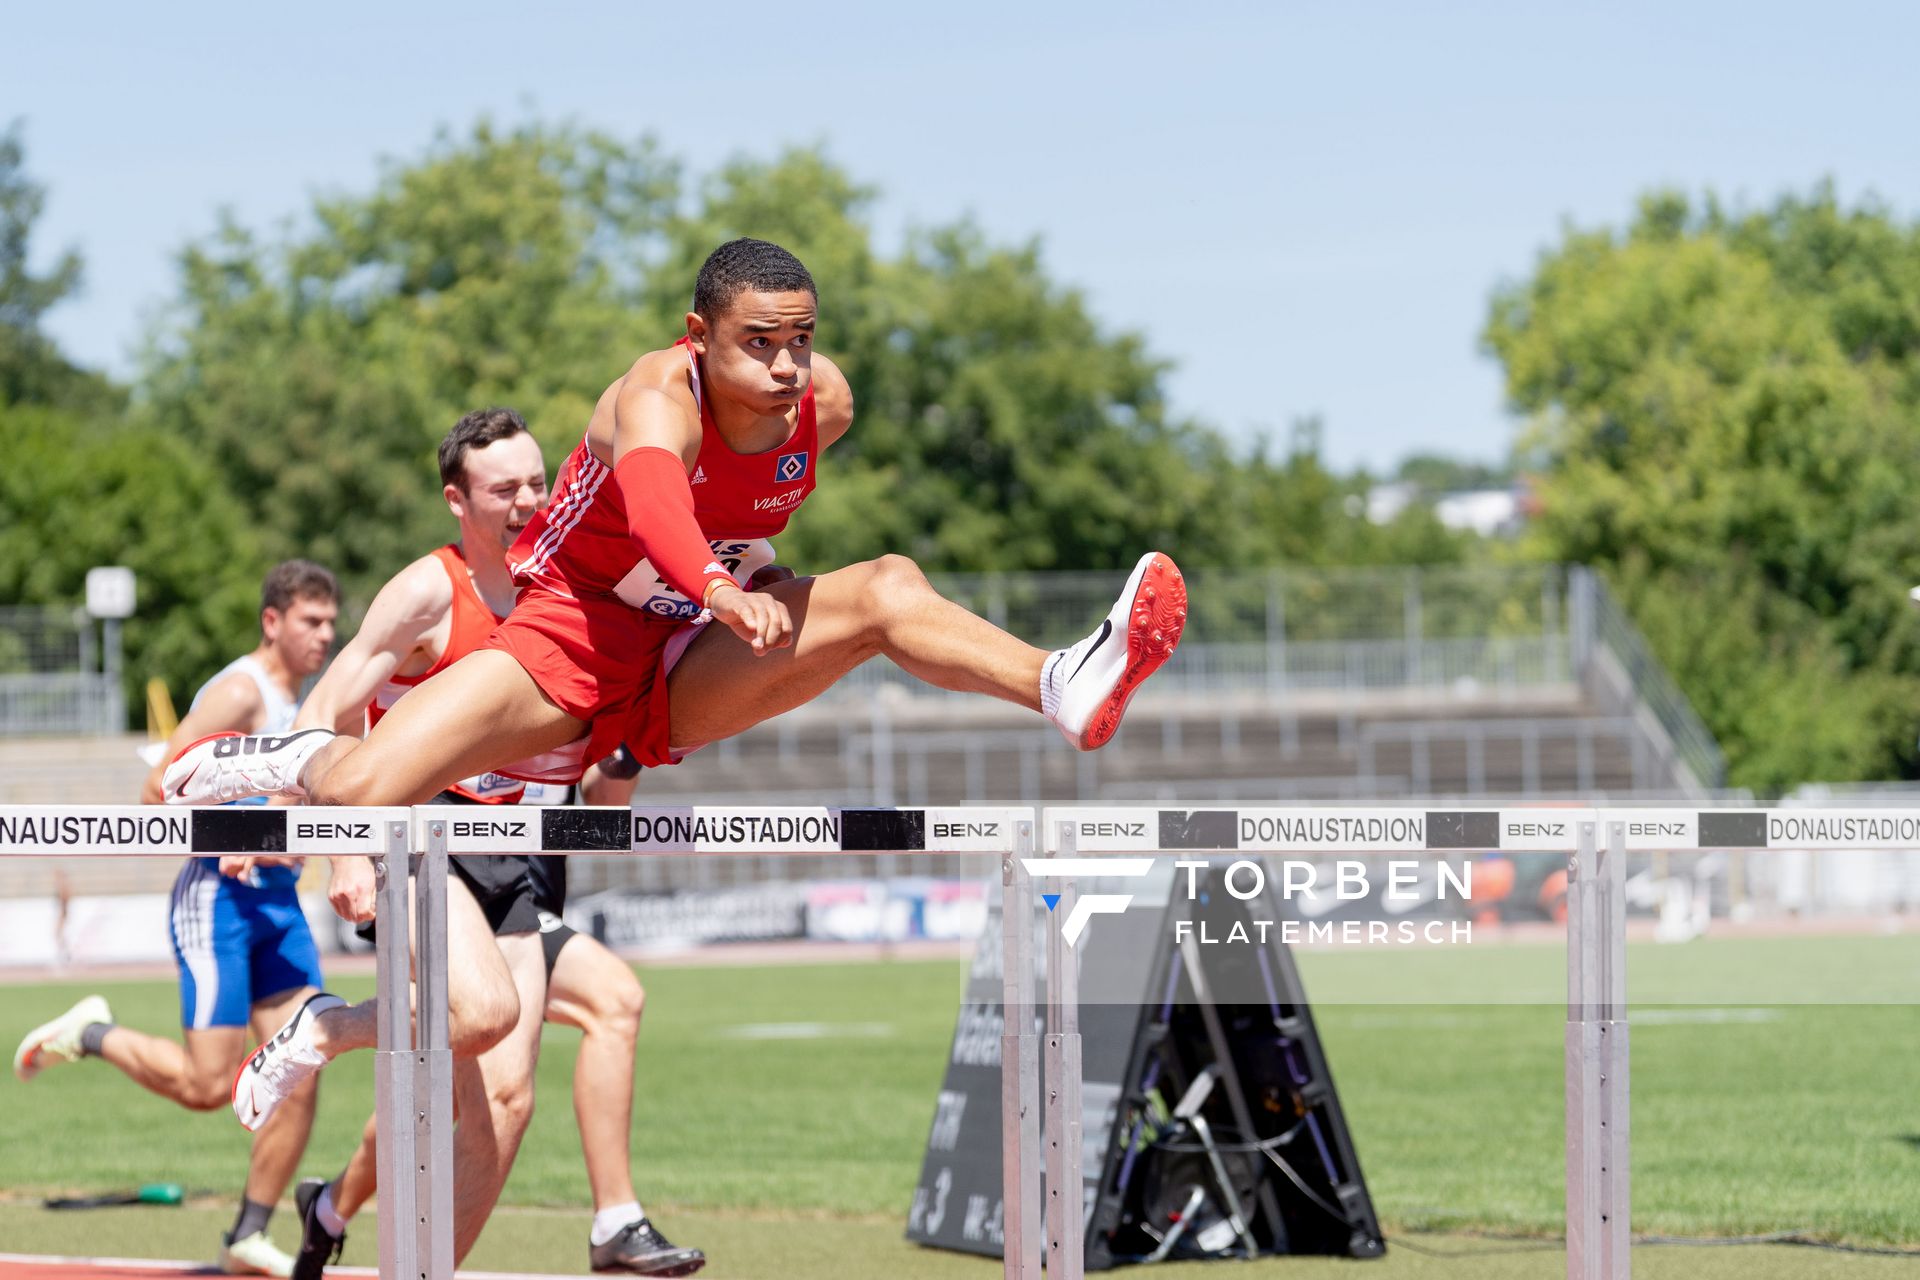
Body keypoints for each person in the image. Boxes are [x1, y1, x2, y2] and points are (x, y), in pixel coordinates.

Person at [165, 236, 1187, 1131]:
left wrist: (744, 579)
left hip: (681, 651)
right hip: (568, 636)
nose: (787, 366)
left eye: (802, 339)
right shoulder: (653, 393)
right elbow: (658, 502)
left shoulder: (818, 403)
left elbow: (754, 508)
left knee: (882, 588)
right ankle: (289, 752)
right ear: (699, 333)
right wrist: (712, 576)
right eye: (758, 343)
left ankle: (1061, 681)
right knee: (355, 794)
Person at [276, 409, 701, 1275]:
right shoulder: (432, 592)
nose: (529, 502)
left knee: (497, 1095)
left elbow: (601, 797)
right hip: (431, 846)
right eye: (505, 489)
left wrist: (633, 743)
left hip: (530, 860)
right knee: (474, 1067)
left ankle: (343, 1210)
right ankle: (577, 1223)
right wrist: (345, 849)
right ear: (456, 500)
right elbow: (322, 713)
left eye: (540, 483)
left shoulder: (583, 587)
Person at [14, 560, 342, 1276]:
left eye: (330, 621)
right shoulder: (238, 690)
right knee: (205, 1087)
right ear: (272, 621)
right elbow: (158, 789)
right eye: (311, 621)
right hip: (214, 901)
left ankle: (247, 1234)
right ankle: (90, 1032)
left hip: (278, 907)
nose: (325, 634)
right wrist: (235, 838)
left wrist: (291, 835)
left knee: (305, 1061)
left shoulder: (309, 703)